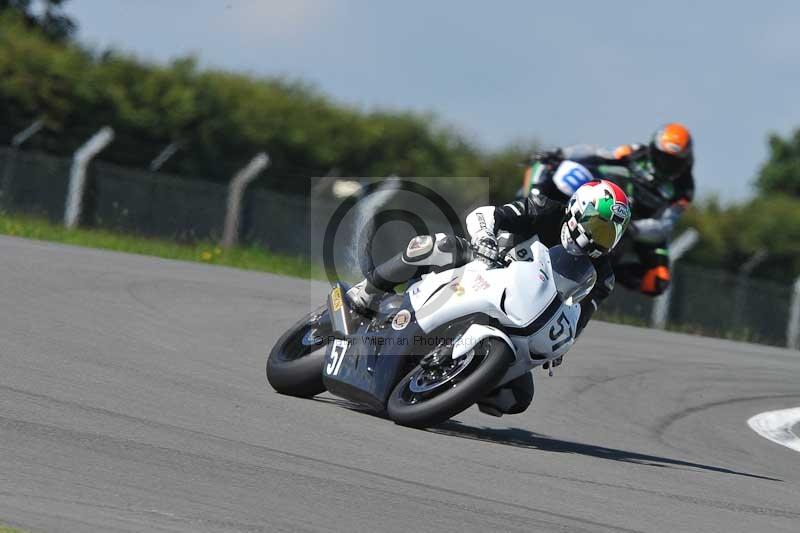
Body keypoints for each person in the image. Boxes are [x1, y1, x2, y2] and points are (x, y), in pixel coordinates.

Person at [346, 180, 631, 414]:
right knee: (435, 245)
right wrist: (484, 238)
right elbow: (485, 215)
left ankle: (447, 384)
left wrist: (561, 347)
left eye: (612, 234)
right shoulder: (543, 209)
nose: (601, 239)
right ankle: (367, 291)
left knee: (515, 398)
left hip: (522, 313)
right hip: (484, 266)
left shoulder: (602, 276)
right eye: (600, 227)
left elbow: (580, 317)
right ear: (579, 210)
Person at [523, 123, 694, 296]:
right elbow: (599, 153)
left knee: (658, 280)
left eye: (674, 162)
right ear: (653, 150)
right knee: (557, 167)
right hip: (609, 202)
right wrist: (561, 154)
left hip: (641, 228)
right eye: (663, 158)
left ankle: (604, 275)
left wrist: (633, 228)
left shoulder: (685, 188)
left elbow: (664, 226)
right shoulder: (636, 152)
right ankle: (529, 211)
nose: (666, 165)